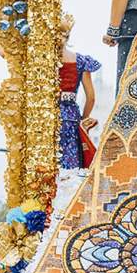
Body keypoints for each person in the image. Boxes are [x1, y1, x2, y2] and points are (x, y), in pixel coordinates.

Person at [59, 13, 100, 169]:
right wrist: (84, 118)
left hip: (46, 117)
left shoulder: (43, 60)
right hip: (70, 117)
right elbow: (91, 98)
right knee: (70, 167)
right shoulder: (81, 61)